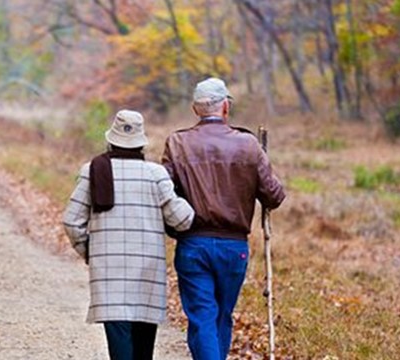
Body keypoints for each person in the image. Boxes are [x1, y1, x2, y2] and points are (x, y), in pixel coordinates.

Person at [161, 78, 286, 359]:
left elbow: (162, 192)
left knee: (203, 318)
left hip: (193, 245)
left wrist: (173, 223)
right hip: (234, 249)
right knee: (221, 317)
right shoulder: (249, 145)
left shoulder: (177, 143)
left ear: (195, 109)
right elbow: (274, 196)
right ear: (226, 107)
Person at [63, 109, 196, 360]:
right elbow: (183, 219)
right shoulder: (156, 175)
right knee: (143, 348)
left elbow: (72, 221)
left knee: (119, 346)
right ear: (141, 142)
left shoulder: (92, 170)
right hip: (147, 273)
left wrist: (90, 252)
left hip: (109, 274)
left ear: (110, 139)